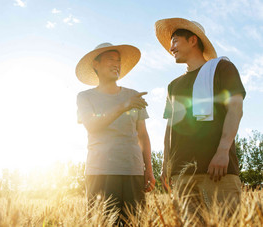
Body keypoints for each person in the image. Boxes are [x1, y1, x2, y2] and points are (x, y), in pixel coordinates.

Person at [154, 18, 246, 220]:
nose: (171, 48)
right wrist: (165, 165)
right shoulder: (173, 86)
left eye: (175, 41)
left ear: (193, 40)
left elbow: (236, 108)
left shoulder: (222, 68)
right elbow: (171, 126)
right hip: (182, 174)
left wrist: (222, 151)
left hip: (217, 169)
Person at [75, 43, 156, 224]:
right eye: (110, 59)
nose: (116, 64)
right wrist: (123, 106)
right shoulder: (85, 97)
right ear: (95, 64)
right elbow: (92, 125)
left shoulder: (134, 96)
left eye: (118, 60)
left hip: (133, 171)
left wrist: (148, 170)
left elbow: (142, 135)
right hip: (100, 172)